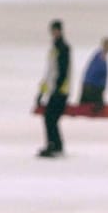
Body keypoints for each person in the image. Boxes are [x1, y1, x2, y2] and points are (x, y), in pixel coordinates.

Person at [36, 19, 70, 159]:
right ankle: (56, 145)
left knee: (50, 117)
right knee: (50, 118)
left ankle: (54, 145)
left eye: (56, 30)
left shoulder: (63, 48)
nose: (54, 33)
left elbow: (63, 71)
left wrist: (58, 89)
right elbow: (49, 72)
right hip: (54, 90)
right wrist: (41, 92)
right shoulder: (54, 49)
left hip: (60, 90)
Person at [79, 37, 108, 112]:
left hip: (88, 86)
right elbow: (96, 73)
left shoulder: (97, 55)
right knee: (98, 107)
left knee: (83, 105)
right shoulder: (101, 56)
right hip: (93, 88)